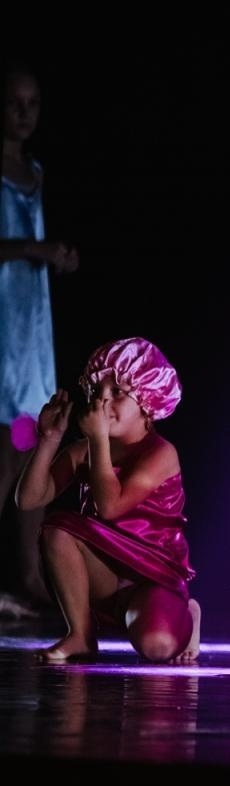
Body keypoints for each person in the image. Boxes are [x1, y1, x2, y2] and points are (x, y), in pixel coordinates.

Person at [14, 337, 199, 663]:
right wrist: (50, 439)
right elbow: (29, 500)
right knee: (57, 528)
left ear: (147, 403)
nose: (102, 402)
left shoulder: (160, 453)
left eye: (118, 394)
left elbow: (111, 507)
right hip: (104, 576)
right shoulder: (84, 450)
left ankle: (188, 612)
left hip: (152, 578)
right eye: (97, 392)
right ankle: (81, 635)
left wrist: (97, 439)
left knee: (157, 647)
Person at [0, 62, 78, 619]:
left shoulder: (37, 170)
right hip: (2, 322)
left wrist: (57, 256)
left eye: (33, 104)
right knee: (3, 453)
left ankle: (27, 575)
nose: (25, 115)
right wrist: (36, 251)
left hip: (31, 329)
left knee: (33, 444)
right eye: (15, 103)